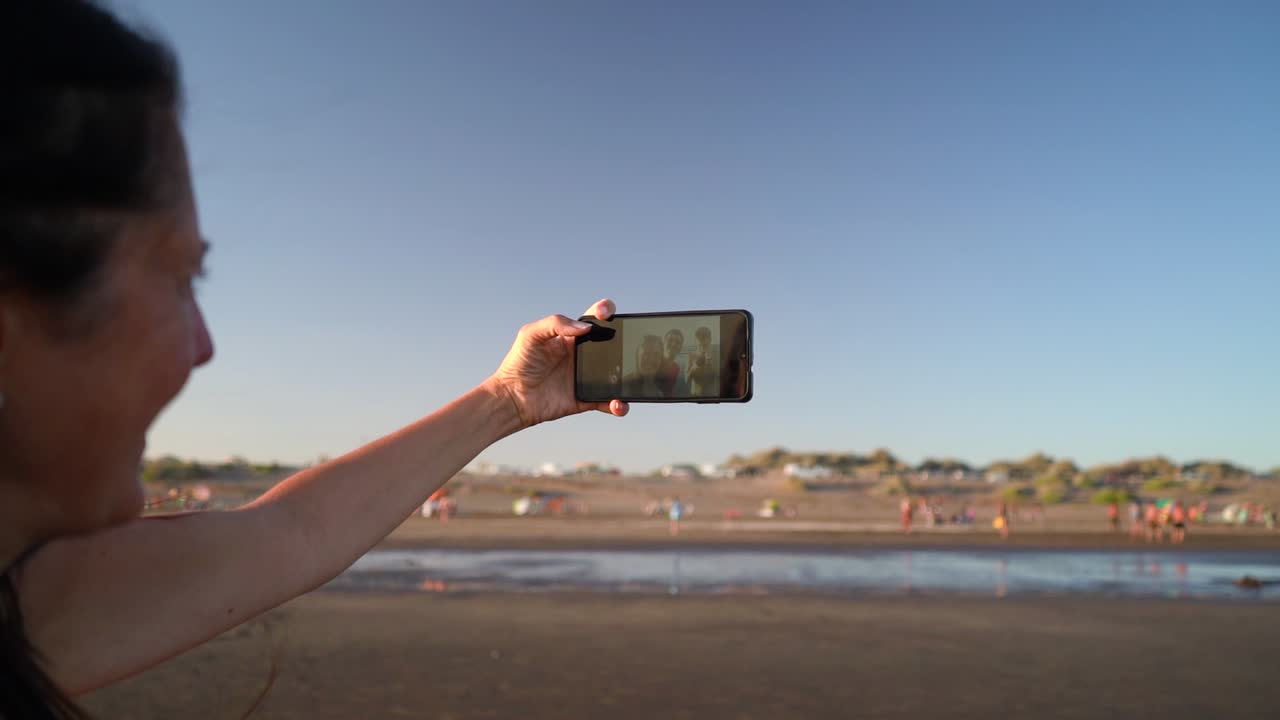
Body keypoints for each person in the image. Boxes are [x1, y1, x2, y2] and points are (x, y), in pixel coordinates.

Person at [0, 4, 630, 716]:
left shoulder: (20, 610)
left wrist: (508, 400)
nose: (202, 346)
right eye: (180, 278)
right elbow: (289, 541)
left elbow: (291, 537)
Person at [687, 326, 718, 396]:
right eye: (700, 345)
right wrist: (693, 368)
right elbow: (686, 380)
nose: (702, 347)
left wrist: (709, 364)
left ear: (710, 340)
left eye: (705, 345)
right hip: (695, 395)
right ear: (696, 341)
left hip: (711, 395)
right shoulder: (691, 355)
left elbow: (718, 376)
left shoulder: (716, 355)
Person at [658, 329, 689, 396]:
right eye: (670, 340)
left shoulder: (677, 368)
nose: (673, 344)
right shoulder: (655, 363)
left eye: (678, 342)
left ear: (680, 348)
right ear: (663, 343)